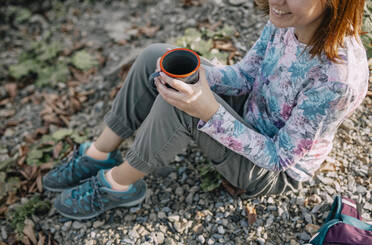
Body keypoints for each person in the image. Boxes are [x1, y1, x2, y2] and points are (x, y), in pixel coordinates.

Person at [43, 0, 368, 220]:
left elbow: (279, 158)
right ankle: (98, 153)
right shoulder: (286, 17)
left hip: (271, 171)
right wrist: (195, 78)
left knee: (184, 108)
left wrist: (208, 110)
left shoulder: (336, 79)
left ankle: (117, 186)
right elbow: (245, 77)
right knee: (156, 56)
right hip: (253, 112)